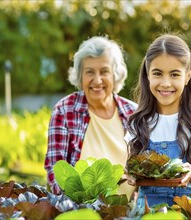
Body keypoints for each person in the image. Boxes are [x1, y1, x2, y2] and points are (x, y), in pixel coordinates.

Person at [125, 34, 191, 209]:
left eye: (174, 74)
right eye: (158, 74)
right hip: (147, 211)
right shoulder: (137, 122)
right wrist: (131, 175)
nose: (165, 83)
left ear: (188, 76)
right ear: (147, 75)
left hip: (187, 210)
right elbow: (131, 167)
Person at [44, 36, 137, 200]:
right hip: (81, 210)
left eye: (104, 71)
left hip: (129, 212)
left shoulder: (133, 113)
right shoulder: (64, 111)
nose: (97, 80)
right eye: (89, 72)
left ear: (115, 75)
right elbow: (55, 170)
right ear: (80, 76)